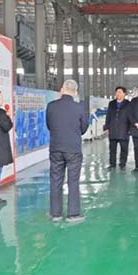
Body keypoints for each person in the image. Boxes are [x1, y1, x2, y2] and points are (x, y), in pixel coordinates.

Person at [46, 79, 89, 222]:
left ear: (62, 89)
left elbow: (49, 125)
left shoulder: (51, 106)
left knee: (55, 180)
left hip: (56, 147)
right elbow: (84, 127)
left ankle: (55, 214)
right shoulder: (80, 107)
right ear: (75, 92)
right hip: (73, 148)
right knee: (73, 181)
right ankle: (73, 214)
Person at [104, 86, 131, 170]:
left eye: (119, 92)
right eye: (116, 92)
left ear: (124, 94)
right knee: (112, 148)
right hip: (113, 129)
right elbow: (108, 116)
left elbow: (131, 117)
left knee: (124, 148)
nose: (117, 94)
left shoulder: (128, 104)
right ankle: (112, 164)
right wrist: (107, 127)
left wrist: (130, 129)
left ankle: (122, 164)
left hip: (124, 129)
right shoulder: (111, 103)